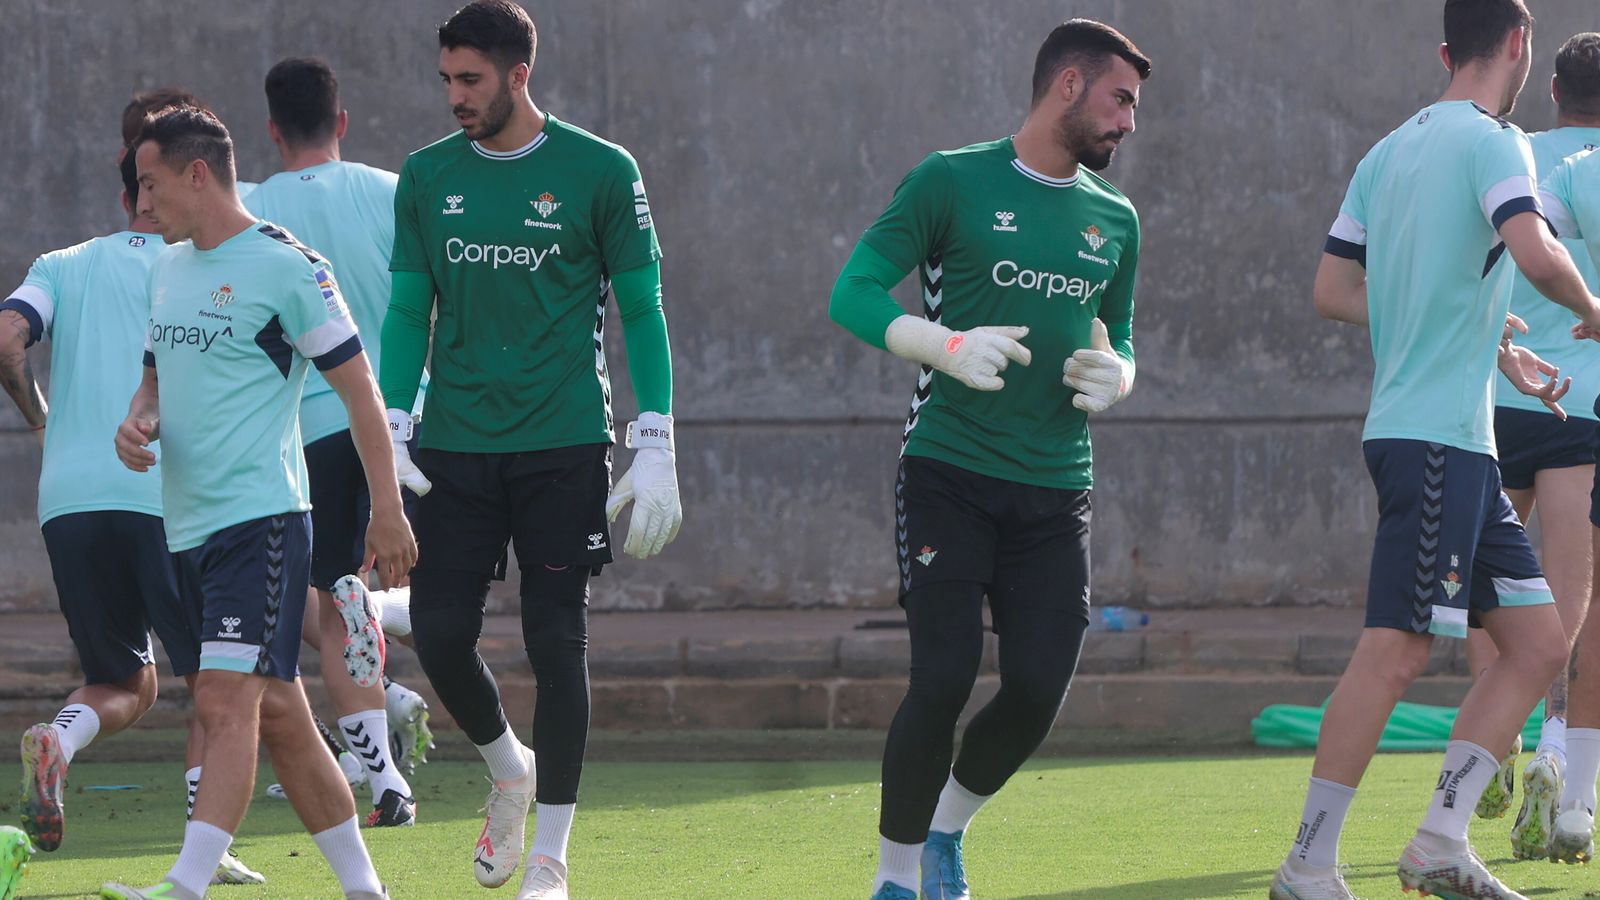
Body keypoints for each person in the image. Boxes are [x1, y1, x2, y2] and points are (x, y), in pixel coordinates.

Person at [1271, 2, 1600, 897]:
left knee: (1537, 645)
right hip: (1433, 443)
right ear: (1519, 45)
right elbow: (1535, 253)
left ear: (1447, 49)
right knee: (1397, 652)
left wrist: (1492, 345)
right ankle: (1308, 863)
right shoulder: (1497, 142)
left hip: (1459, 443)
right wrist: (1592, 310)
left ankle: (1440, 841)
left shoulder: (1387, 151)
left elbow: (1335, 288)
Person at [827, 18, 1148, 900]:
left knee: (1039, 688)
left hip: (1057, 486)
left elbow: (1119, 331)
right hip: (949, 472)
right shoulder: (950, 179)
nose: (1130, 121)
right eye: (1121, 99)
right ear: (1069, 85)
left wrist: (1120, 373)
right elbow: (852, 292)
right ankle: (895, 881)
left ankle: (946, 831)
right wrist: (941, 344)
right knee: (943, 676)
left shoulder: (1116, 218)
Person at [377, 2, 680, 895]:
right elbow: (408, 309)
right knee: (439, 634)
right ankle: (511, 768)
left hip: (564, 444)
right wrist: (393, 426)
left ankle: (550, 857)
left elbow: (642, 309)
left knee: (556, 640)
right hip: (454, 447)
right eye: (446, 79)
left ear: (519, 74)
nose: (455, 96)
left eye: (470, 79)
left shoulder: (602, 169)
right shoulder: (426, 175)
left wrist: (655, 440)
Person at [101, 104, 413, 900]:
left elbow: (362, 392)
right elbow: (153, 384)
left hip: (261, 521)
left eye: (151, 184)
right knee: (281, 717)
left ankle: (186, 885)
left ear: (196, 174)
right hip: (185, 528)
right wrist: (139, 423)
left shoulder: (287, 266)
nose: (143, 204)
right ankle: (366, 890)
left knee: (221, 699)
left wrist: (386, 508)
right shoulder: (167, 268)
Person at [1, 140, 264, 887]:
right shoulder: (199, 265)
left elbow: (8, 337)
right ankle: (206, 848)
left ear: (128, 199)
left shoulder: (61, 264)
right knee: (214, 680)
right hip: (165, 492)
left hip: (70, 501)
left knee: (126, 679)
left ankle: (59, 741)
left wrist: (40, 420)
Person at [244, 55, 430, 826]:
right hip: (411, 426)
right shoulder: (396, 191)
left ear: (271, 130)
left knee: (333, 601)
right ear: (342, 120)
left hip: (315, 428)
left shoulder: (251, 209)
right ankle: (379, 695)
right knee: (380, 588)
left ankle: (383, 774)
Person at [1469, 30, 1600, 860]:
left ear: (1551, 88)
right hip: (1584, 400)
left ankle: (1496, 737)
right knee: (1577, 597)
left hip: (1497, 391)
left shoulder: (1511, 154)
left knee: (1486, 579)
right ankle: (1563, 767)